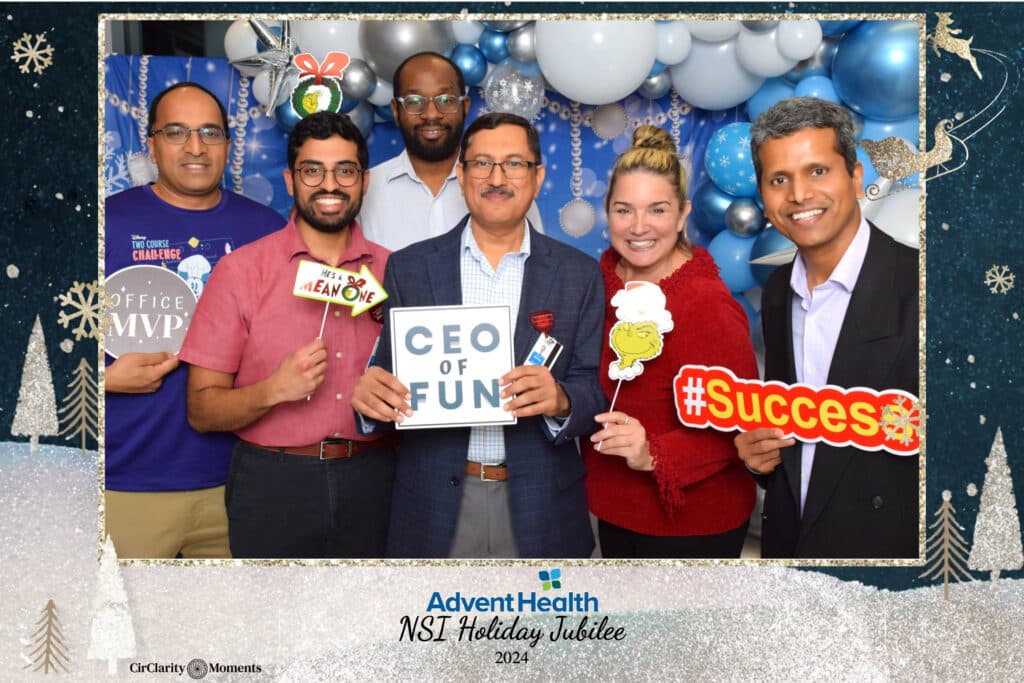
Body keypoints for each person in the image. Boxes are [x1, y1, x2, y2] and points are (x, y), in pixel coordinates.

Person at [352, 113, 604, 559]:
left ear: (538, 175)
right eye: (482, 164)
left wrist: (562, 400)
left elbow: (595, 390)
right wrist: (373, 397)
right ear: (463, 175)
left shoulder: (579, 274)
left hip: (541, 503)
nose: (497, 178)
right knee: (435, 629)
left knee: (537, 630)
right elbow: (387, 373)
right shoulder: (409, 268)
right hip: (433, 502)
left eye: (514, 164)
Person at [178, 111, 396, 558]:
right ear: (291, 180)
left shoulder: (397, 272)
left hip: (377, 479)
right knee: (272, 624)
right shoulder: (241, 272)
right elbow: (202, 410)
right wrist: (273, 390)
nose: (330, 184)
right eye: (313, 170)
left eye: (345, 170)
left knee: (373, 622)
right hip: (272, 483)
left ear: (364, 180)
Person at [104, 82, 284, 559]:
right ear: (151, 144)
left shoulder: (268, 229)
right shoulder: (104, 224)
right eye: (177, 132)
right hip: (126, 483)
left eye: (210, 132)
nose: (195, 147)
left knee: (228, 632)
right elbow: (40, 338)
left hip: (239, 483)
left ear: (229, 143)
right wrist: (102, 379)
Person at [737, 97, 919, 559]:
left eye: (818, 171)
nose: (798, 195)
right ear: (763, 195)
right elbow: (797, 430)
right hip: (792, 554)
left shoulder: (921, 288)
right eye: (779, 179)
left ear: (856, 178)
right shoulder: (778, 292)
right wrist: (763, 459)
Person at [580, 126, 759, 558]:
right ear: (607, 214)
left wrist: (654, 453)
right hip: (614, 506)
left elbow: (741, 427)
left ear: (682, 216)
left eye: (657, 210)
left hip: (694, 523)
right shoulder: (595, 286)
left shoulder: (707, 303)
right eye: (624, 210)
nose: (639, 226)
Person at [358, 51, 542, 251]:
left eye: (445, 100)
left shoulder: (506, 189)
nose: (431, 114)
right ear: (395, 110)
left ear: (465, 107)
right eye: (414, 101)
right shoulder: (365, 191)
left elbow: (536, 269)